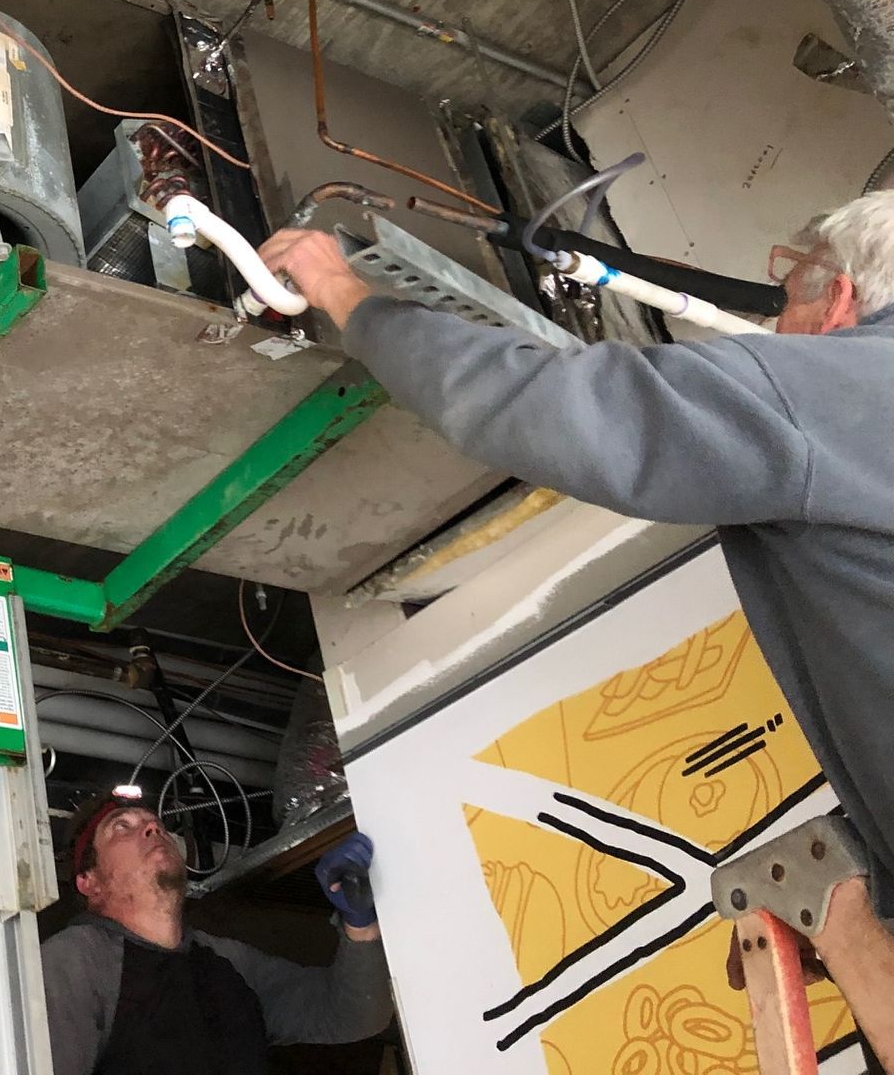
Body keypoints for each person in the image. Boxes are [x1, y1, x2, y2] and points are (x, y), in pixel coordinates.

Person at [255, 192, 894, 924]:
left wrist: (344, 292)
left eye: (783, 307)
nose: (775, 333)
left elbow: (549, 405)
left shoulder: (840, 387)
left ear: (837, 300)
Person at [41, 793, 393, 1074]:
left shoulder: (230, 964)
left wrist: (359, 922)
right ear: (90, 882)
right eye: (122, 827)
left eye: (156, 824)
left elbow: (353, 1015)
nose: (152, 829)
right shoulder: (77, 961)